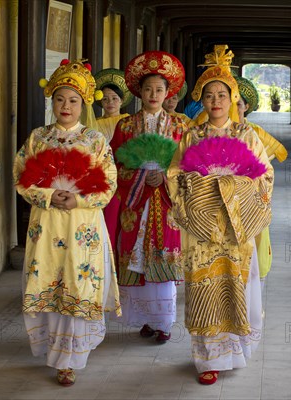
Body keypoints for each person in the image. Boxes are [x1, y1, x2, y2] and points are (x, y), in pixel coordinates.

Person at [167, 45, 273, 385]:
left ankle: (235, 350)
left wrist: (228, 184)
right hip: (202, 227)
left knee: (235, 285)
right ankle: (207, 359)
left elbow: (264, 177)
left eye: (222, 94)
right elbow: (175, 176)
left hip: (235, 226)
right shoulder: (192, 136)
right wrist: (197, 186)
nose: (216, 101)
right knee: (203, 289)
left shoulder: (248, 135)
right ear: (202, 100)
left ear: (232, 98)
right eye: (210, 94)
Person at [13, 59, 120, 387]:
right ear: (52, 102)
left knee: (78, 283)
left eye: (73, 100)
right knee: (47, 281)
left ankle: (70, 360)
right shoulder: (38, 138)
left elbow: (110, 181)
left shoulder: (95, 141)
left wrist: (79, 198)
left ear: (83, 104)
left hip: (82, 227)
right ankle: (53, 351)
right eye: (60, 99)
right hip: (46, 225)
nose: (66, 106)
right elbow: (21, 174)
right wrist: (47, 195)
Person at [111, 51, 188, 344]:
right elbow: (116, 164)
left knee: (163, 261)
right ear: (139, 93)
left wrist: (166, 175)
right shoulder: (125, 127)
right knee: (137, 261)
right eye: (148, 89)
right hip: (136, 202)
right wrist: (140, 175)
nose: (154, 94)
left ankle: (164, 322)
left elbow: (188, 165)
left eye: (159, 89)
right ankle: (146, 318)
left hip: (166, 205)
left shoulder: (181, 127)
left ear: (169, 93)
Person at [235, 75, 287, 285]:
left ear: (246, 106)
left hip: (248, 196)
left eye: (238, 104)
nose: (233, 107)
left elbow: (267, 169)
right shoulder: (211, 130)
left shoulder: (254, 132)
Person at [93, 68, 133, 254]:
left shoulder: (128, 121)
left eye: (114, 98)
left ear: (122, 100)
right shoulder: (94, 123)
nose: (110, 103)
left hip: (123, 175)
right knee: (105, 218)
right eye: (106, 98)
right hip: (101, 175)